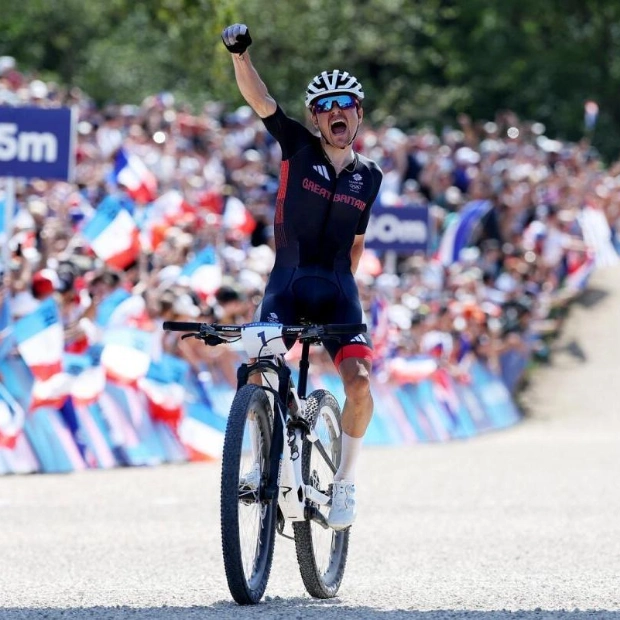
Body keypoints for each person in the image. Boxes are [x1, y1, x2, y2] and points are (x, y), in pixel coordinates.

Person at [222, 23, 384, 530]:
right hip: (287, 284)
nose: (336, 113)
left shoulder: (370, 175)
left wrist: (343, 303)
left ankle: (346, 482)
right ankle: (259, 457)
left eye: (345, 104)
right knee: (257, 366)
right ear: (316, 117)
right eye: (326, 106)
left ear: (358, 113)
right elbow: (260, 98)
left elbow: (356, 243)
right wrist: (239, 55)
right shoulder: (296, 145)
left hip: (337, 290)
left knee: (358, 383)